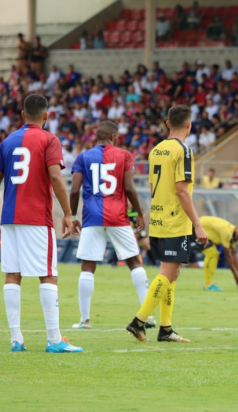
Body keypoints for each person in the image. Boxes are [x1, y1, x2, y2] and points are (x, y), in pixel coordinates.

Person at [1, 94, 82, 353]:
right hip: (36, 217)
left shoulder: (7, 142)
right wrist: (68, 213)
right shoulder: (49, 139)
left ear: (23, 115)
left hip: (9, 218)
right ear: (46, 116)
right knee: (48, 274)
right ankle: (54, 339)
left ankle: (16, 339)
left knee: (12, 274)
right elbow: (56, 177)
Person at [125, 105, 208, 343]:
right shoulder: (184, 151)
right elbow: (182, 191)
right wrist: (198, 225)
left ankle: (166, 329)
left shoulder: (156, 150)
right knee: (167, 272)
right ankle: (138, 322)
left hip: (158, 218)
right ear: (189, 125)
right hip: (174, 220)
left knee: (173, 273)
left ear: (168, 123)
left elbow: (153, 187)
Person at [69, 121, 154, 330]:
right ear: (114, 137)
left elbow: (74, 190)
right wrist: (139, 212)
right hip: (118, 216)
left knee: (87, 267)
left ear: (96, 137)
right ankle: (148, 316)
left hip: (92, 217)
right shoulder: (125, 155)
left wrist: (72, 215)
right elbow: (129, 188)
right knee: (134, 262)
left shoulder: (83, 157)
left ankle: (84, 320)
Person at [198, 216, 238, 291]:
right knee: (212, 254)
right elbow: (227, 256)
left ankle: (208, 285)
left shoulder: (233, 235)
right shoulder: (227, 232)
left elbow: (234, 254)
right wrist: (235, 276)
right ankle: (208, 285)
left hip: (200, 230)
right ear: (236, 228)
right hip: (195, 228)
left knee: (213, 254)